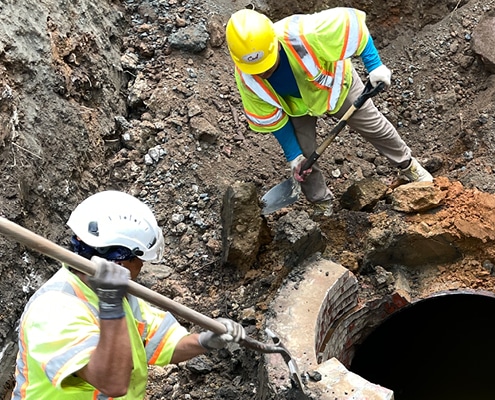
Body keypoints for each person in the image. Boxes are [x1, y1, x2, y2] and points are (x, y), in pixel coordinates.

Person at [11, 190, 244, 399]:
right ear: (121, 262)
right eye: (139, 260)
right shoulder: (53, 311)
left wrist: (205, 341)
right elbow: (112, 383)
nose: (141, 268)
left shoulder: (120, 297)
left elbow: (164, 344)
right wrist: (110, 305)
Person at [225, 7, 433, 217]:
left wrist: (375, 66)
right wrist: (293, 155)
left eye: (266, 66)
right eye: (256, 70)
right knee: (304, 160)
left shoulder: (305, 34)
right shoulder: (246, 78)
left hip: (337, 86)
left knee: (375, 127)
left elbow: (354, 27)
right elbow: (273, 119)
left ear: (275, 45)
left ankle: (409, 165)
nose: (263, 73)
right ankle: (321, 203)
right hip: (297, 107)